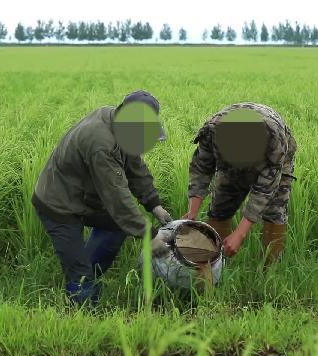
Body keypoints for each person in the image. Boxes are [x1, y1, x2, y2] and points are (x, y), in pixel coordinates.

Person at [32, 90, 174, 304]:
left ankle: (90, 275)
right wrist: (149, 236)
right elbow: (117, 197)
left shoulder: (116, 119)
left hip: (83, 197)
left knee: (117, 227)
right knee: (80, 273)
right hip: (58, 204)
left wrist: (154, 204)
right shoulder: (100, 144)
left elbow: (135, 167)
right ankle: (82, 310)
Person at [183, 102, 297, 267]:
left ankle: (270, 269)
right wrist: (192, 212)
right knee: (220, 206)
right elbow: (201, 168)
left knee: (274, 209)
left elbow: (265, 190)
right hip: (233, 155)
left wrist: (240, 234)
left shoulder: (274, 139)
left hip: (277, 157)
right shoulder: (212, 131)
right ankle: (216, 265)